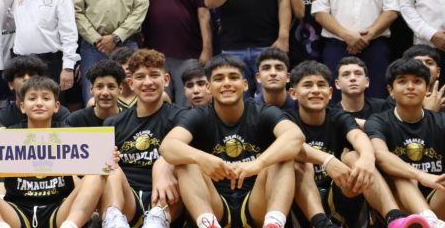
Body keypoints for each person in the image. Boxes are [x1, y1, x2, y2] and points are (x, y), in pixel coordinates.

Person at [160, 54, 305, 228]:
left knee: (283, 156)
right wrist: (202, 158)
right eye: (219, 79)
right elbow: (168, 146)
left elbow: (295, 137)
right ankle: (208, 225)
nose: (227, 83)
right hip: (215, 203)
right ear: (209, 87)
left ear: (245, 85)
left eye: (233, 77)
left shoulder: (263, 112)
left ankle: (274, 224)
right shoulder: (198, 116)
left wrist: (259, 163)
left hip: (257, 202)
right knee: (185, 161)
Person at [286, 61, 430, 228]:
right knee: (296, 163)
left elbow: (358, 137)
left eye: (321, 85)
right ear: (293, 93)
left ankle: (394, 218)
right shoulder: (286, 118)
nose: (316, 90)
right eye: (308, 85)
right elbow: (291, 144)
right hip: (297, 197)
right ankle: (322, 224)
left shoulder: (338, 117)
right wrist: (327, 160)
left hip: (341, 193)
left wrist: (367, 159)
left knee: (355, 156)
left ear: (330, 92)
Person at [0, 76, 106, 228]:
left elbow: (91, 175)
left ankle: (71, 225)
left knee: (99, 172)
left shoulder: (69, 135)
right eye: (32, 98)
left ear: (56, 106)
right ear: (22, 106)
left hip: (59, 210)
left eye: (46, 98)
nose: (39, 103)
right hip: (16, 212)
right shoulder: (7, 136)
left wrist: (107, 159)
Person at [100, 49, 185, 228]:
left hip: (166, 200)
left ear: (166, 80)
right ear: (130, 83)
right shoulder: (113, 123)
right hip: (127, 200)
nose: (148, 82)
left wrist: (165, 164)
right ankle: (114, 219)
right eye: (140, 77)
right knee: (108, 166)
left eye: (154, 75)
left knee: (182, 163)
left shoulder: (182, 117)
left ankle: (158, 219)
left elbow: (187, 152)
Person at [365, 59, 445, 226]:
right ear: (391, 90)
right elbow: (380, 155)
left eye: (417, 81)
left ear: (427, 89)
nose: (410, 86)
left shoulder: (441, 121)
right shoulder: (378, 120)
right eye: (402, 81)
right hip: (400, 202)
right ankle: (428, 219)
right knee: (400, 174)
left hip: (438, 196)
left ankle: (430, 221)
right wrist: (421, 175)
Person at [143, 0, 211, 106]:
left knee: (188, 104)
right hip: (155, 56)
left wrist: (206, 49)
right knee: (160, 106)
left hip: (188, 54)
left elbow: (203, 15)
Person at [13, 0, 79, 91]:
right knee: (25, 108)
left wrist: (68, 67)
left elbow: (69, 34)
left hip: (51, 63)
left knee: (51, 109)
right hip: (22, 63)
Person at [0, 55, 71, 126]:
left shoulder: (61, 114)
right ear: (11, 85)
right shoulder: (1, 118)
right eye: (20, 75)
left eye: (32, 74)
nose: (27, 78)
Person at [64, 59, 124, 126]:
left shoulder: (130, 121)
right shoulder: (75, 121)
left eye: (111, 87)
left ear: (120, 89)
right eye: (99, 87)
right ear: (91, 89)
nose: (105, 93)